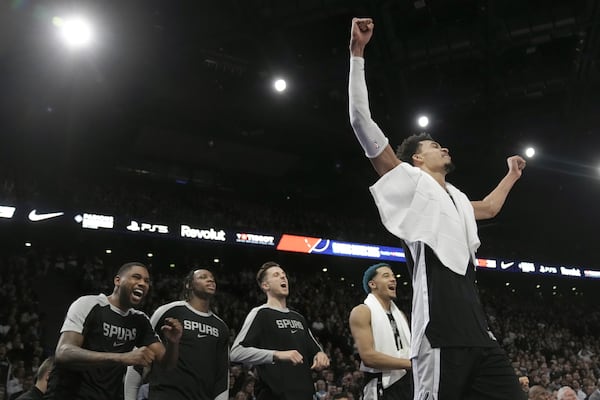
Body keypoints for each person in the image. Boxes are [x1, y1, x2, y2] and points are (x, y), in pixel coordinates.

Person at [348, 17, 527, 400]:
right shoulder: (411, 184)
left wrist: (511, 175)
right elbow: (361, 122)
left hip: (479, 332)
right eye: (433, 145)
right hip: (439, 331)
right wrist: (357, 53)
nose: (442, 147)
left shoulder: (458, 198)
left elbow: (491, 208)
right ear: (416, 158)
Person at [44, 262, 182, 400]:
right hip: (67, 395)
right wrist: (122, 358)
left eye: (146, 281)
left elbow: (167, 364)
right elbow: (63, 352)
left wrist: (173, 343)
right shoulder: (89, 304)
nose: (142, 283)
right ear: (117, 281)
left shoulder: (140, 320)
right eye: (136, 277)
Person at [230, 261, 330, 400]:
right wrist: (276, 355)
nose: (283, 278)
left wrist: (320, 355)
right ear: (266, 285)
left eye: (284, 275)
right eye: (276, 275)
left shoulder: (299, 317)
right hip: (274, 395)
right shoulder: (261, 313)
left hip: (305, 395)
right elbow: (236, 352)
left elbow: (316, 349)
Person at [124, 268, 229, 400]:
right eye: (203, 277)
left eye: (212, 277)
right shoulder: (168, 311)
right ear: (189, 285)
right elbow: (140, 356)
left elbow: (222, 377)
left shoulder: (221, 327)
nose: (210, 280)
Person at [349, 263, 412, 399]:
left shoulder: (400, 314)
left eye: (393, 276)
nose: (393, 279)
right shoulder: (362, 311)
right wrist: (410, 363)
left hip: (408, 383)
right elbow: (368, 357)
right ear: (373, 284)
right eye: (386, 276)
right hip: (381, 384)